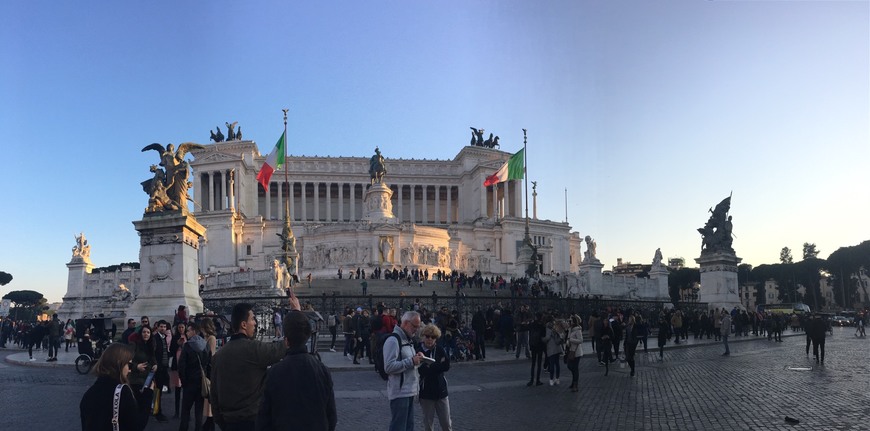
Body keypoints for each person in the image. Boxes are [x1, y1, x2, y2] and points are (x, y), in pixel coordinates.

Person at [211, 295, 299, 431]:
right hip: (253, 420)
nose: (256, 323)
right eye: (252, 319)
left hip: (228, 422)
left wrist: (221, 422)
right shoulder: (254, 349)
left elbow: (214, 395)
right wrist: (296, 313)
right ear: (243, 324)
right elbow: (285, 345)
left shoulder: (218, 356)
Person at [256, 310, 337, 431]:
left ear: (286, 341)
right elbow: (331, 416)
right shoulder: (322, 370)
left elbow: (263, 418)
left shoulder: (274, 373)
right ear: (308, 336)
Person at [80, 343, 138, 431]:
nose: (130, 370)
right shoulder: (123, 391)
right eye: (129, 365)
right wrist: (147, 395)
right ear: (119, 364)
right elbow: (136, 425)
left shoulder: (89, 393)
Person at [384, 311, 424, 431]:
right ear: (406, 323)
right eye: (415, 326)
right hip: (400, 392)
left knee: (408, 427)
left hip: (410, 390)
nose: (416, 330)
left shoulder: (408, 340)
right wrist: (411, 361)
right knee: (399, 427)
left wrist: (418, 359)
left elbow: (408, 363)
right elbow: (389, 367)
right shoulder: (393, 340)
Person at [417, 324, 452, 431]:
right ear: (423, 336)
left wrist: (430, 365)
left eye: (433, 337)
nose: (430, 339)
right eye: (427, 336)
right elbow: (420, 370)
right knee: (428, 424)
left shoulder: (440, 349)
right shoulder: (417, 350)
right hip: (426, 392)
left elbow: (446, 366)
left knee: (446, 423)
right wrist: (437, 366)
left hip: (441, 391)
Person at [178, 322, 209, 431]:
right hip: (201, 382)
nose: (186, 332)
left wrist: (183, 381)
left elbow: (181, 365)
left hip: (189, 382)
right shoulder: (205, 345)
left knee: (186, 410)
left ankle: (183, 428)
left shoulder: (187, 346)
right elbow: (208, 363)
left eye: (188, 330)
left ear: (194, 331)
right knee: (198, 411)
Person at [129, 325, 157, 431]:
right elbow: (127, 360)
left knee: (145, 410)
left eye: (148, 332)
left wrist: (156, 365)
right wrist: (136, 366)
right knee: (137, 408)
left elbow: (153, 359)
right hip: (135, 381)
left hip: (148, 380)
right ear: (140, 334)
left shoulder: (151, 345)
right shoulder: (134, 345)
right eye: (144, 332)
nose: (146, 334)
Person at [170, 322, 187, 419]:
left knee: (186, 392)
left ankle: (185, 412)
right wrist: (177, 345)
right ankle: (177, 412)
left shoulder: (187, 337)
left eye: (182, 327)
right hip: (177, 364)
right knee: (177, 389)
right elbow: (171, 350)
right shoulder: (175, 337)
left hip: (186, 366)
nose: (181, 329)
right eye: (179, 327)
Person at [542, 317, 564, 386]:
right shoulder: (555, 328)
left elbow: (547, 338)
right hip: (557, 348)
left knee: (551, 365)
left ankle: (551, 379)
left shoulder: (548, 329)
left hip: (551, 349)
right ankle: (557, 379)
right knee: (557, 364)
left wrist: (542, 339)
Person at [526, 312, 546, 386]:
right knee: (539, 363)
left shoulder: (531, 325)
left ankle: (531, 380)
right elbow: (544, 336)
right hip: (540, 345)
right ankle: (538, 380)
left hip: (533, 345)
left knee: (533, 363)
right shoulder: (542, 326)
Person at [565, 315, 583, 392]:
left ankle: (575, 384)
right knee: (570, 366)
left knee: (575, 368)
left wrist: (571, 340)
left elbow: (580, 340)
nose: (569, 322)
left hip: (576, 352)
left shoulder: (577, 330)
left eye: (570, 321)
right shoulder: (570, 329)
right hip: (570, 350)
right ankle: (574, 381)